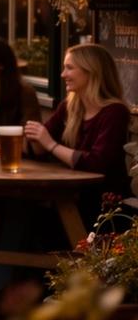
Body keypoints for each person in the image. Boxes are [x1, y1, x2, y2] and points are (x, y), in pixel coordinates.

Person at [25, 44, 132, 224]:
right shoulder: (69, 107)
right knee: (20, 208)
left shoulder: (115, 112)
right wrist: (32, 138)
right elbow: (39, 149)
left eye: (69, 68)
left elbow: (97, 164)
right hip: (70, 194)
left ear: (91, 71)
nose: (63, 74)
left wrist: (50, 144)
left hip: (103, 208)